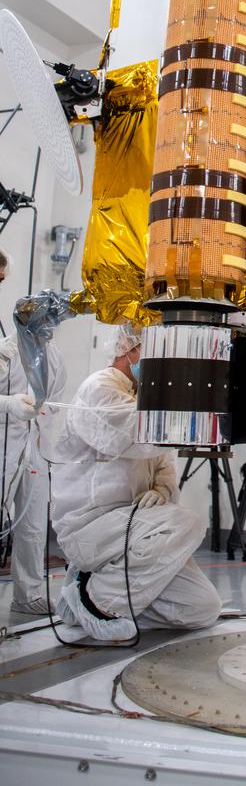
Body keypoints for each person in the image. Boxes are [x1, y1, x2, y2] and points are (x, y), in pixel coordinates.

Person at [51, 323, 220, 642]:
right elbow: (136, 434)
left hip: (135, 528)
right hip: (92, 526)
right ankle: (96, 601)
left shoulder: (142, 396)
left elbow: (164, 463)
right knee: (188, 523)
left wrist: (161, 490)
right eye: (154, 349)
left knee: (202, 607)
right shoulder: (99, 388)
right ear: (129, 349)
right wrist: (198, 410)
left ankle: (85, 596)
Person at [0, 249, 67, 615]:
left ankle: (27, 595)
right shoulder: (6, 352)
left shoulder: (52, 355)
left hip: (36, 448)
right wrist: (11, 404)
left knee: (33, 524)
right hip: (4, 445)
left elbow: (55, 396)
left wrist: (44, 410)